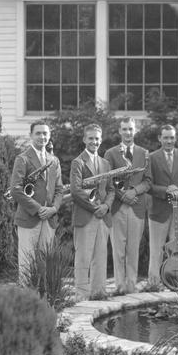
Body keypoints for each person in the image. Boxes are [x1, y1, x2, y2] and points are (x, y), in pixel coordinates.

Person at [10, 121, 63, 283]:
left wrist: (54, 208)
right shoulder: (23, 158)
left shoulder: (54, 160)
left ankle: (44, 299)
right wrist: (40, 209)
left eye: (45, 133)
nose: (42, 137)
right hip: (29, 218)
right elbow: (16, 189)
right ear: (31, 135)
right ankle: (27, 302)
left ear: (49, 136)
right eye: (38, 133)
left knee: (45, 261)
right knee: (27, 263)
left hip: (49, 218)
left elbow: (59, 189)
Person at [104, 117, 151, 294]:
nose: (128, 133)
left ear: (135, 131)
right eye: (124, 129)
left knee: (133, 249)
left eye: (131, 129)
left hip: (137, 207)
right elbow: (107, 181)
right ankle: (119, 286)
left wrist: (134, 191)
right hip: (117, 207)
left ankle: (131, 286)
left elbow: (148, 181)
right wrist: (123, 196)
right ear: (119, 131)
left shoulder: (144, 153)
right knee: (118, 249)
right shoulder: (110, 153)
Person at [147, 125, 178, 287]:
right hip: (158, 212)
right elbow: (148, 185)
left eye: (172, 138)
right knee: (156, 251)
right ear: (160, 139)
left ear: (175, 139)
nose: (169, 141)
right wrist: (166, 190)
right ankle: (154, 284)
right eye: (166, 137)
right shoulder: (152, 157)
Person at [70, 123, 115, 300]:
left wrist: (106, 206)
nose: (94, 142)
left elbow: (111, 189)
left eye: (97, 138)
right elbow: (75, 190)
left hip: (103, 217)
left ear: (101, 140)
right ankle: (81, 296)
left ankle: (99, 292)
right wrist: (94, 206)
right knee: (83, 258)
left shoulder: (106, 163)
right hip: (86, 216)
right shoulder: (78, 162)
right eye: (90, 138)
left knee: (101, 257)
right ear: (84, 139)